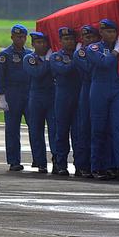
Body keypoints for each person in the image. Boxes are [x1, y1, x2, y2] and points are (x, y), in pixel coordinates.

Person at [82, 18, 119, 180]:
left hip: (116, 89)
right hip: (99, 89)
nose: (111, 34)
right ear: (101, 33)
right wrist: (115, 52)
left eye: (113, 32)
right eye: (108, 31)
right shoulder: (94, 48)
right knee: (99, 129)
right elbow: (104, 63)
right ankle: (97, 167)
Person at [0, 24, 32, 171]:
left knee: (34, 127)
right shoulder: (4, 55)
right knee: (12, 129)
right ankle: (14, 160)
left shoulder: (29, 54)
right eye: (18, 37)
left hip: (28, 94)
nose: (21, 39)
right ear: (12, 37)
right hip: (12, 95)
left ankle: (38, 160)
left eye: (23, 37)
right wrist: (2, 97)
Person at [48, 27, 81, 176]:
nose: (70, 42)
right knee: (61, 133)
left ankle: (80, 164)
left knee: (78, 133)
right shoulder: (56, 57)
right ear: (60, 41)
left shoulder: (80, 55)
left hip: (77, 96)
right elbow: (64, 70)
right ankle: (60, 164)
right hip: (62, 97)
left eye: (72, 39)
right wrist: (76, 57)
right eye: (66, 39)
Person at [23, 31, 55, 173]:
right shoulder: (29, 58)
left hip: (51, 96)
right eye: (38, 42)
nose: (41, 45)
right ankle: (40, 162)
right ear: (33, 44)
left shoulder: (54, 57)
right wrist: (47, 62)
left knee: (55, 131)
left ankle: (58, 161)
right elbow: (37, 73)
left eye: (43, 42)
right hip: (36, 97)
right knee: (36, 130)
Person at [71, 24, 99, 178]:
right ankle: (82, 165)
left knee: (97, 128)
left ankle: (95, 164)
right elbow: (89, 69)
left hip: (97, 88)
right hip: (86, 89)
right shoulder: (80, 52)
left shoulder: (97, 50)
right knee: (84, 129)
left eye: (92, 37)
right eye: (87, 37)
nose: (90, 40)